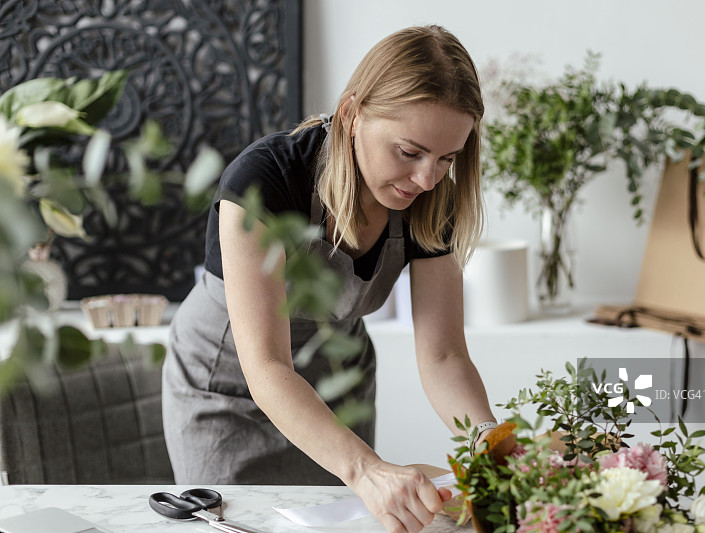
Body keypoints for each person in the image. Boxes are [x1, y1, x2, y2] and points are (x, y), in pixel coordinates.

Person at [162, 25, 497, 533]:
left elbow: (443, 354)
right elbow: (268, 365)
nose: (427, 179)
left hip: (339, 385)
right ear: (352, 114)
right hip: (231, 387)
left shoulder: (433, 198)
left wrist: (489, 445)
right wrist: (364, 467)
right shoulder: (265, 179)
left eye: (446, 158)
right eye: (409, 152)